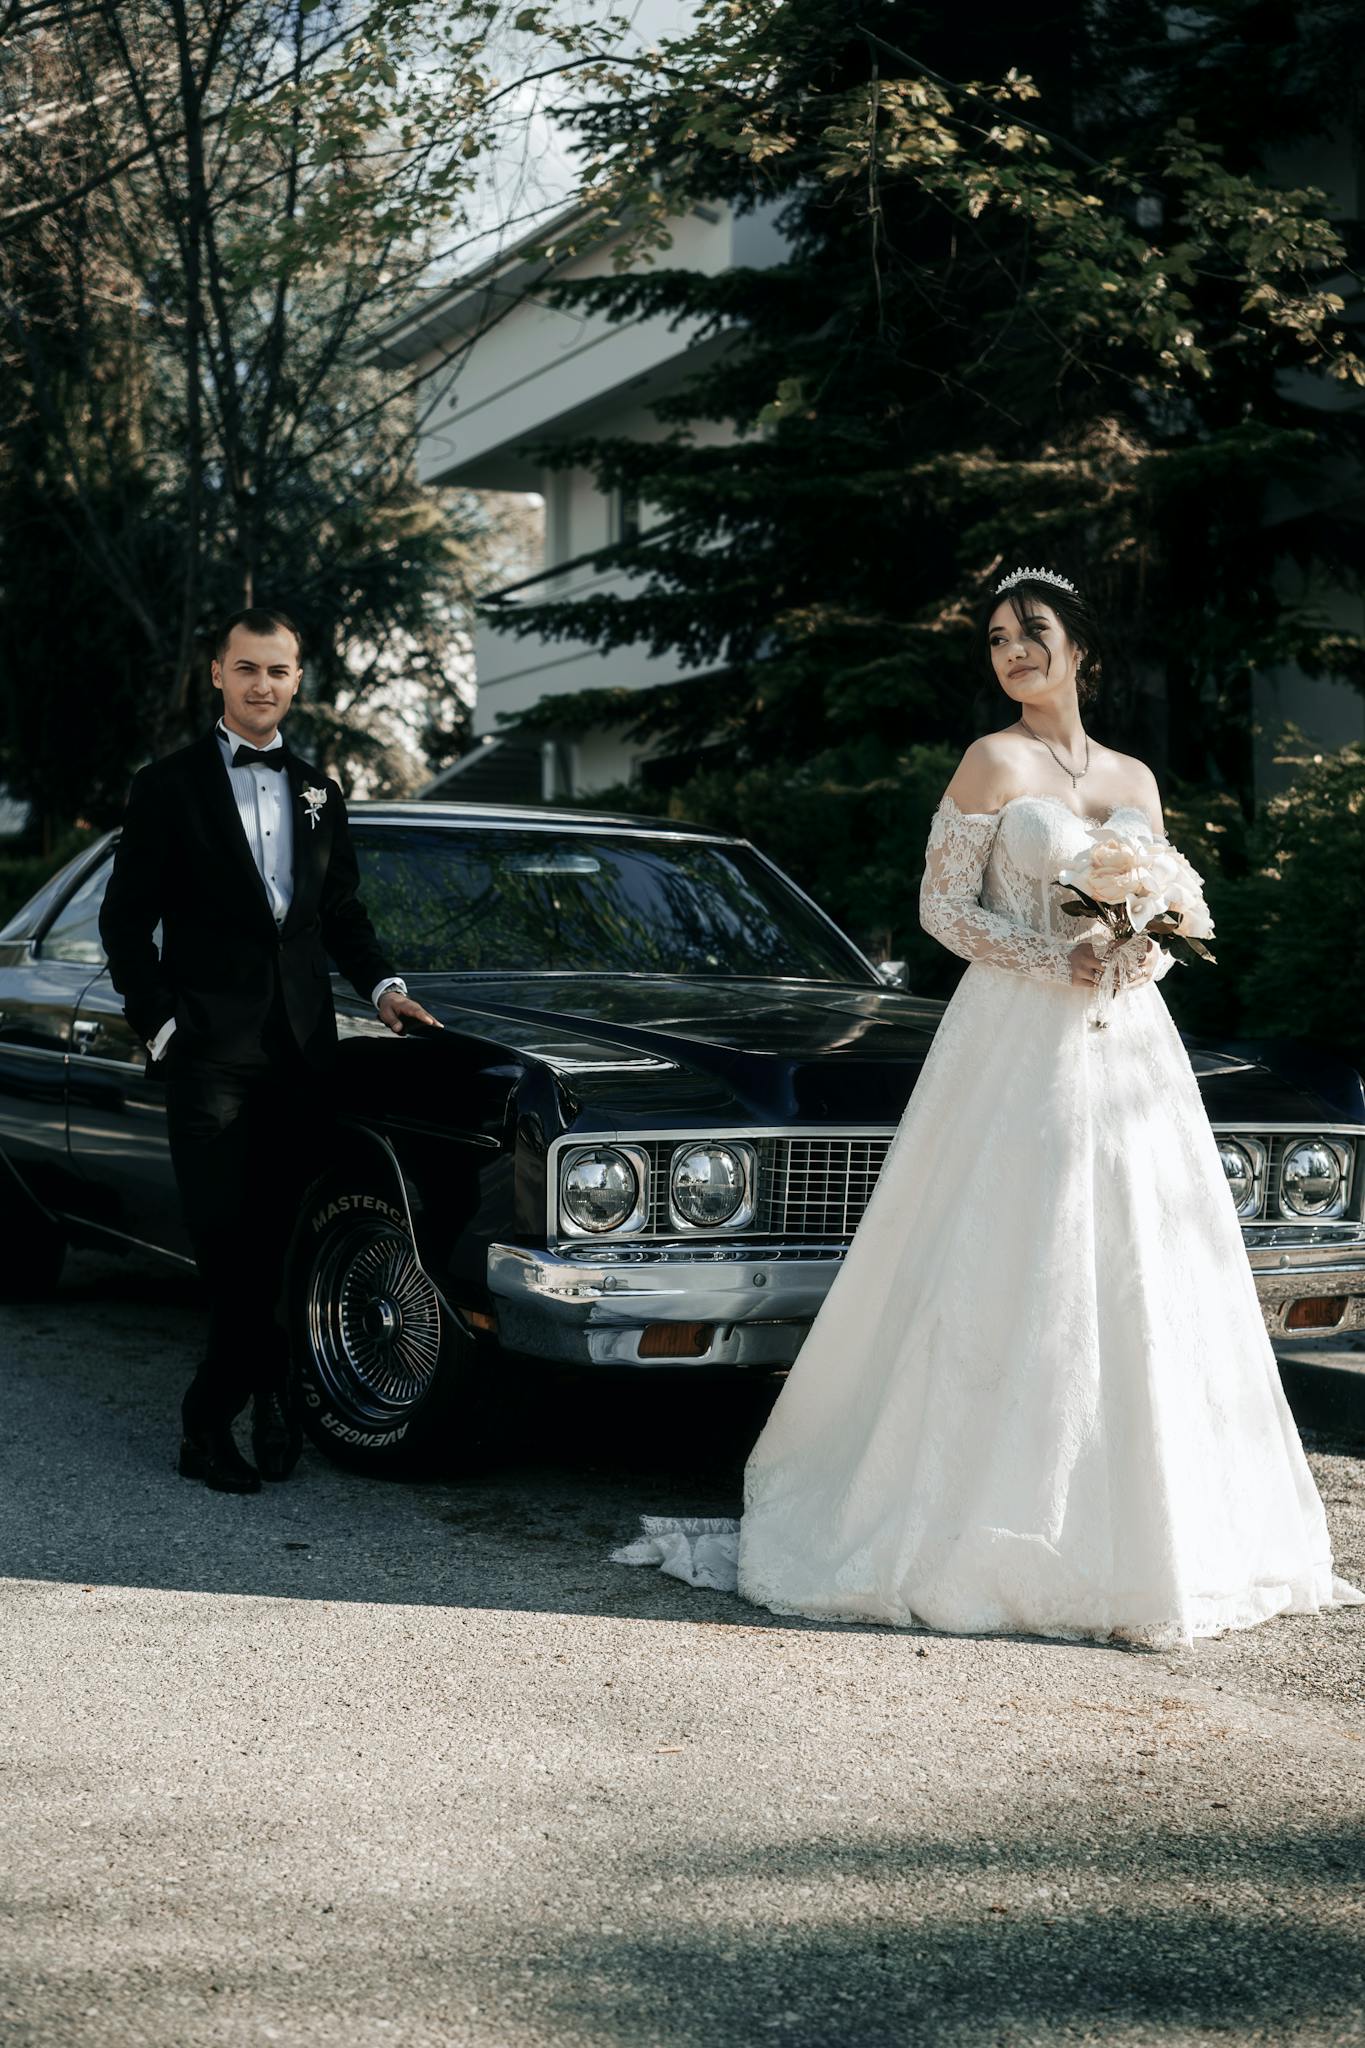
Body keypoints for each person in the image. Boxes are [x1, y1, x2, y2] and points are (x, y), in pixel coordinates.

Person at [615, 566, 1363, 1648]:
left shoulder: (1136, 775)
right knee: (1017, 1248)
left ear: (1080, 647)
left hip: (1129, 1046)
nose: (1014, 650)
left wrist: (1137, 945)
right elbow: (940, 908)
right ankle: (973, 1517)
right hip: (1014, 1031)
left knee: (1144, 1260)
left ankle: (1155, 1533)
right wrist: (1054, 953)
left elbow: (1168, 912)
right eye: (998, 637)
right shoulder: (992, 760)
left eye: (1034, 632)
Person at [99, 607, 441, 1496]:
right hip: (208, 1052)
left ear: (298, 680)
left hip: (302, 1052)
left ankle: (262, 1395)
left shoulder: (322, 786)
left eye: (279, 671)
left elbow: (340, 917)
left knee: (284, 1243)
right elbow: (125, 921)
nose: (263, 686)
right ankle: (218, 1412)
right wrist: (161, 1021)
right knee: (227, 1247)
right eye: (246, 669)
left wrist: (385, 991)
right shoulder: (166, 785)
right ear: (216, 673)